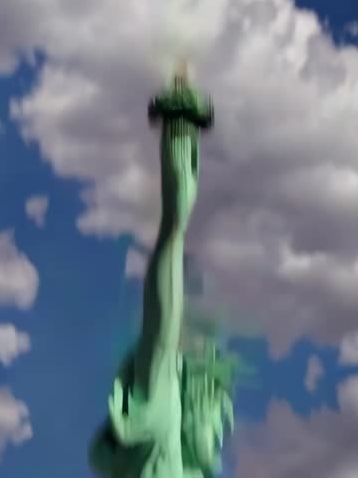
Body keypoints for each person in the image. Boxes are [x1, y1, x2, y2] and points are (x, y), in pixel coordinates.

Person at [89, 104, 234, 478]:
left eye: (220, 428)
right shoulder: (159, 423)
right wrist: (174, 219)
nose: (217, 434)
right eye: (216, 421)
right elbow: (163, 322)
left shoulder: (186, 467)